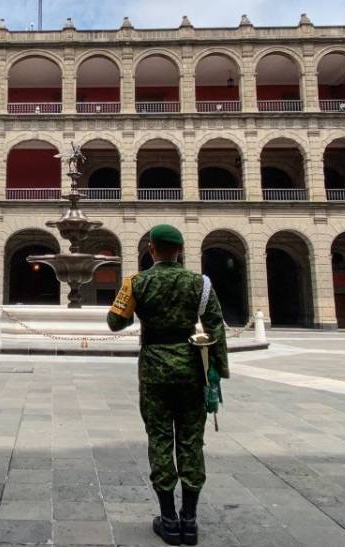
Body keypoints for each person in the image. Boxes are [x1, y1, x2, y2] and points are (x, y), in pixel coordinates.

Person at [107, 224, 228, 546]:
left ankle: (168, 519)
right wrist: (217, 372)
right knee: (191, 441)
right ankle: (190, 521)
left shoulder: (137, 282)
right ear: (180, 250)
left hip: (154, 369)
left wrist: (130, 299)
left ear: (151, 248)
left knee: (159, 439)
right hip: (191, 369)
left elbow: (115, 322)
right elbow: (216, 324)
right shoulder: (200, 284)